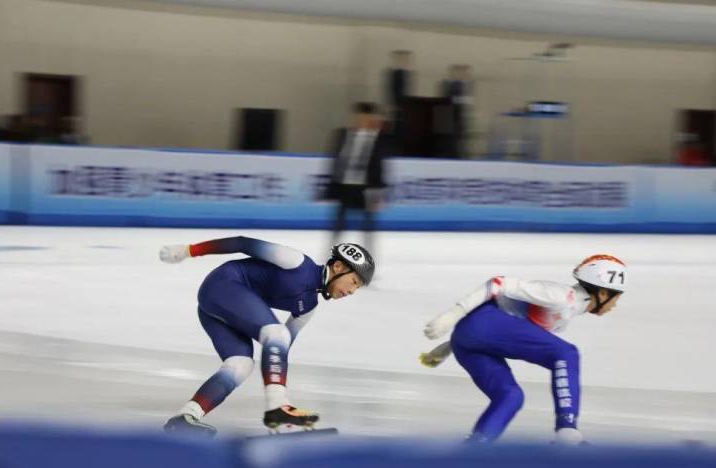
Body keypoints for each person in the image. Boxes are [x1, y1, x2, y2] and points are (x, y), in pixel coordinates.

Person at [158, 237, 375, 435]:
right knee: (276, 332)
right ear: (338, 267)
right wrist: (189, 250)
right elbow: (241, 243)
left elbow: (280, 351)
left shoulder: (308, 307)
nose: (352, 291)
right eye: (354, 282)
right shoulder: (297, 262)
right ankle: (277, 410)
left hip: (216, 309)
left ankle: (186, 416)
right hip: (223, 284)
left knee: (240, 365)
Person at [419, 254, 627, 444]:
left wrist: (449, 346)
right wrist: (453, 314)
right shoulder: (561, 296)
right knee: (566, 353)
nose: (615, 305)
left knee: (511, 397)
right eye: (616, 298)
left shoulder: (564, 317)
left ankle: (473, 449)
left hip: (469, 341)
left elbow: (508, 330)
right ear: (601, 292)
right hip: (479, 325)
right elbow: (498, 283)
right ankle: (567, 431)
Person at [324, 102, 388, 256]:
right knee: (338, 227)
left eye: (365, 116)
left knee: (367, 229)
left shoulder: (378, 139)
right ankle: (332, 258)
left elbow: (379, 166)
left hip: (366, 189)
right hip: (345, 186)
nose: (360, 119)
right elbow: (335, 162)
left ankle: (367, 261)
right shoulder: (342, 135)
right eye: (358, 116)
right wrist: (330, 188)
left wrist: (379, 192)